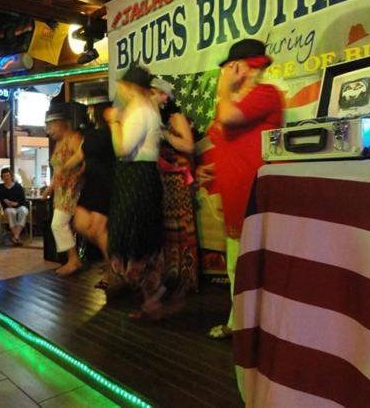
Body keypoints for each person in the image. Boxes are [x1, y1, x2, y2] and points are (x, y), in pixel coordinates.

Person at [204, 38, 284, 339]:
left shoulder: (266, 93)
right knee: (236, 265)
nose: (225, 73)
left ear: (242, 67)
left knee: (253, 264)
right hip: (236, 193)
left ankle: (257, 328)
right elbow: (227, 139)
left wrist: (224, 88)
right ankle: (238, 322)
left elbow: (227, 120)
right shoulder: (236, 100)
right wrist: (215, 168)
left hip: (255, 192)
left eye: (229, 67)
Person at [104, 65, 165, 319]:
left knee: (135, 239)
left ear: (130, 87)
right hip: (138, 177)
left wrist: (114, 122)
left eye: (121, 84)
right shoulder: (144, 108)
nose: (118, 89)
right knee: (138, 239)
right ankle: (148, 300)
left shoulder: (140, 110)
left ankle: (151, 302)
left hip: (136, 178)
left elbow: (123, 148)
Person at [151, 77, 199, 300]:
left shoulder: (175, 118)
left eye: (154, 92)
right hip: (160, 182)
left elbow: (189, 146)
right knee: (165, 232)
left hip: (178, 182)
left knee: (180, 230)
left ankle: (185, 280)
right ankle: (167, 280)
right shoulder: (151, 119)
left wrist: (165, 134)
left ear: (165, 97)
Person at [59, 102, 116, 287]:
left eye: (93, 109)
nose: (90, 112)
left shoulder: (113, 131)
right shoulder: (90, 133)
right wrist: (64, 168)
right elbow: (80, 155)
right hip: (90, 184)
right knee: (80, 224)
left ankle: (113, 271)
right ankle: (112, 258)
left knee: (97, 230)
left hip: (106, 183)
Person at [42, 102, 84, 277]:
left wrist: (69, 168)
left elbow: (83, 155)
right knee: (66, 225)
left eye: (51, 125)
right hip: (61, 191)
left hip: (72, 189)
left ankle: (74, 260)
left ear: (61, 123)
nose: (48, 130)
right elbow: (57, 171)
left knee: (58, 224)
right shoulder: (58, 143)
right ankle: (72, 259)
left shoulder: (73, 138)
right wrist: (50, 188)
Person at [0, 167, 28, 245]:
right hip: (7, 208)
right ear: (2, 177)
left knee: (23, 211)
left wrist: (16, 204)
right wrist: (4, 200)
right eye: (4, 176)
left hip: (19, 206)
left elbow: (23, 199)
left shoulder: (18, 186)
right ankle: (17, 237)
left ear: (11, 176)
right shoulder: (0, 187)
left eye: (8, 175)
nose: (6, 177)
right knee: (11, 212)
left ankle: (16, 236)